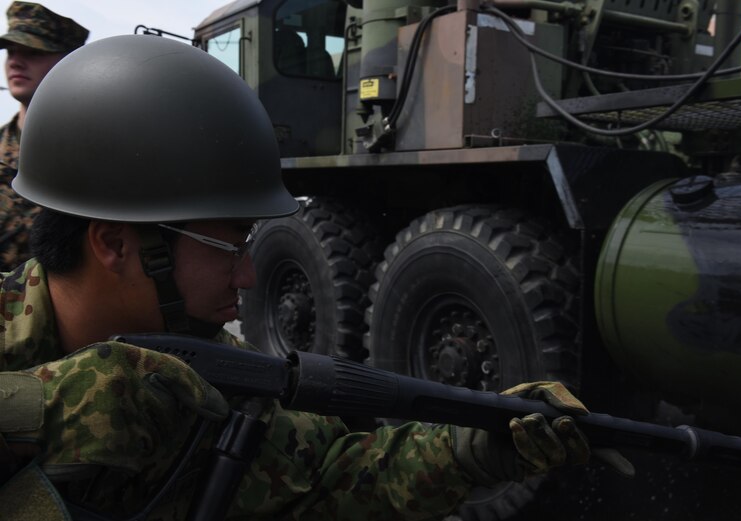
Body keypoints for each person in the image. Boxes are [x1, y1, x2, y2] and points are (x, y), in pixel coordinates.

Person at [0, 35, 602, 520]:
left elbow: (328, 474)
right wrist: (46, 411)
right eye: (228, 245)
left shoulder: (199, 378)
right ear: (114, 244)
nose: (248, 274)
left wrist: (470, 450)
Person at [0, 1, 87, 271]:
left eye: (33, 52)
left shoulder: (92, 151)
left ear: (68, 61)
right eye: (11, 51)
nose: (15, 62)